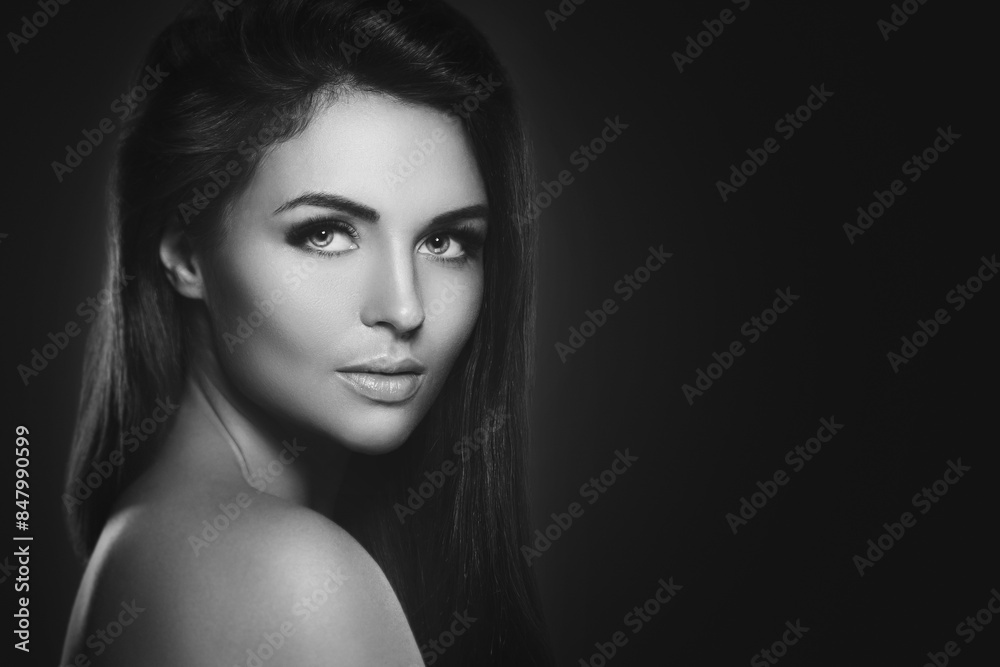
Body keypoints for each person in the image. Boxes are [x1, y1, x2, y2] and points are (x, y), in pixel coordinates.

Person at [59, 1, 553, 664]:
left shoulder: (154, 535)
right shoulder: (288, 573)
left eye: (445, 241)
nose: (404, 308)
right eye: (324, 233)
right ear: (184, 254)